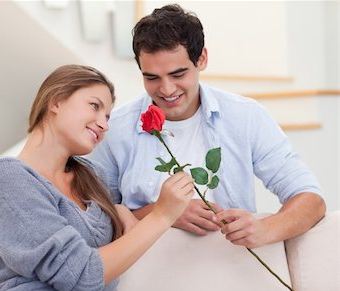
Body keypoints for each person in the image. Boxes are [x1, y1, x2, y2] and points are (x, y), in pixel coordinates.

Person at [89, 4, 325, 249]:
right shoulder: (115, 128)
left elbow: (311, 199)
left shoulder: (245, 117)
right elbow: (95, 220)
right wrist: (164, 214)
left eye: (178, 74)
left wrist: (266, 228)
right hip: (146, 274)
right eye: (152, 78)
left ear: (201, 59)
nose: (167, 89)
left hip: (231, 268)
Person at [0, 64, 195, 291]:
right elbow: (82, 275)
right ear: (56, 101)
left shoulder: (92, 177)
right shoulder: (7, 178)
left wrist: (117, 210)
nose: (104, 124)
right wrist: (162, 215)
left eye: (107, 116)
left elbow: (115, 242)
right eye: (94, 106)